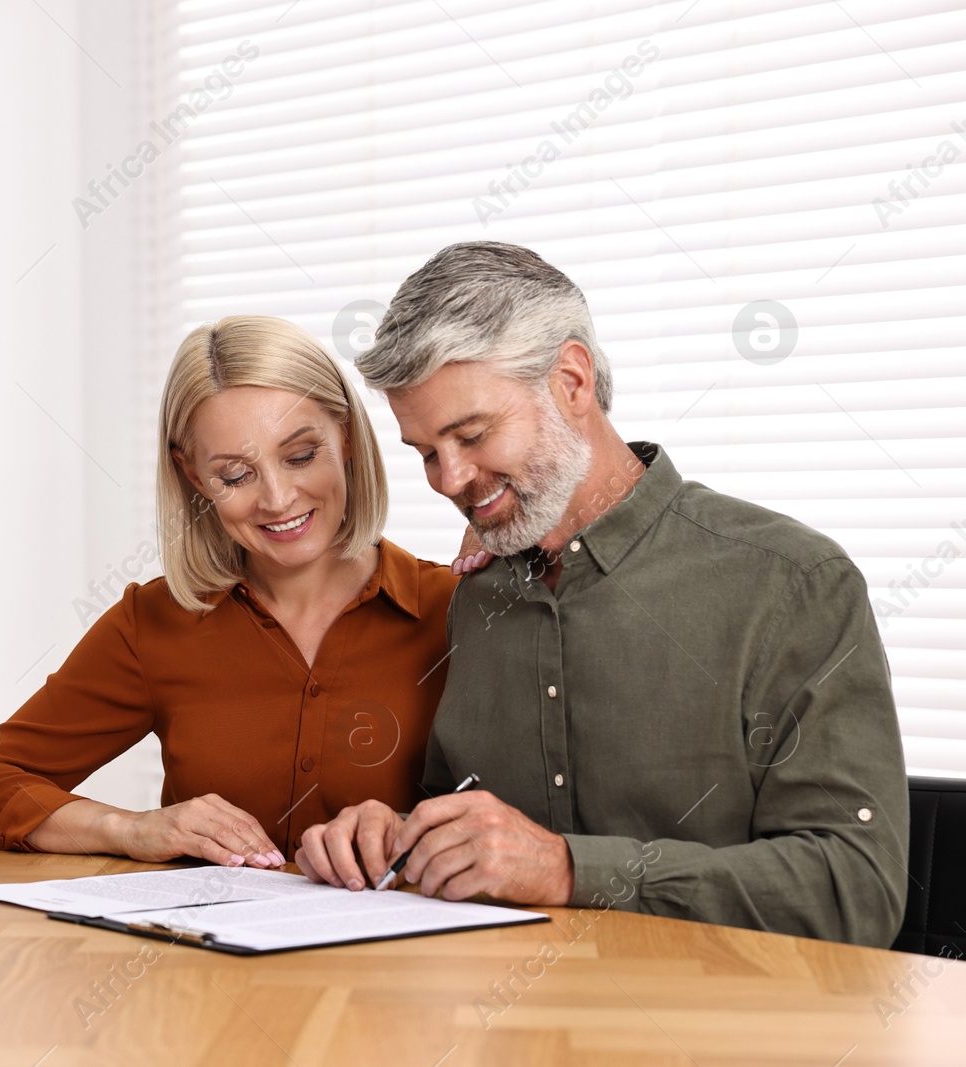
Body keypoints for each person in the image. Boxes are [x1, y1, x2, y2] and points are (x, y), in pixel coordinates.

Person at [296, 241, 909, 948]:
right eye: (427, 451)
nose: (449, 478)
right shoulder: (477, 596)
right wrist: (397, 837)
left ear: (572, 381)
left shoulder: (791, 583)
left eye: (471, 434)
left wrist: (569, 869)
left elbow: (855, 888)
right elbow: (467, 822)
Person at [0, 316, 459, 866]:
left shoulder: (457, 609)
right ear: (191, 475)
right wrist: (129, 829)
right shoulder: (152, 623)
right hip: (206, 951)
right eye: (236, 475)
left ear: (348, 437)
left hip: (400, 952)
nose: (279, 498)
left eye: (301, 455)